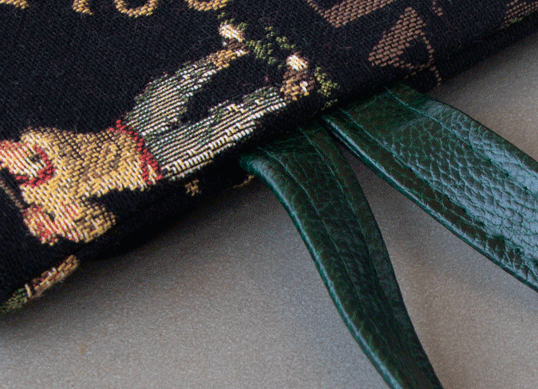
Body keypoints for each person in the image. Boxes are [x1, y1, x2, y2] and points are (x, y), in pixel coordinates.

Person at [0, 24, 314, 246]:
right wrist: (61, 227)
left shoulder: (38, 141)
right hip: (151, 165)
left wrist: (55, 208)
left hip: (129, 131)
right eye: (5, 151)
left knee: (173, 87)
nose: (8, 144)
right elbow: (100, 221)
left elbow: (66, 156)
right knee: (222, 127)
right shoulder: (42, 196)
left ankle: (231, 51)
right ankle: (290, 91)